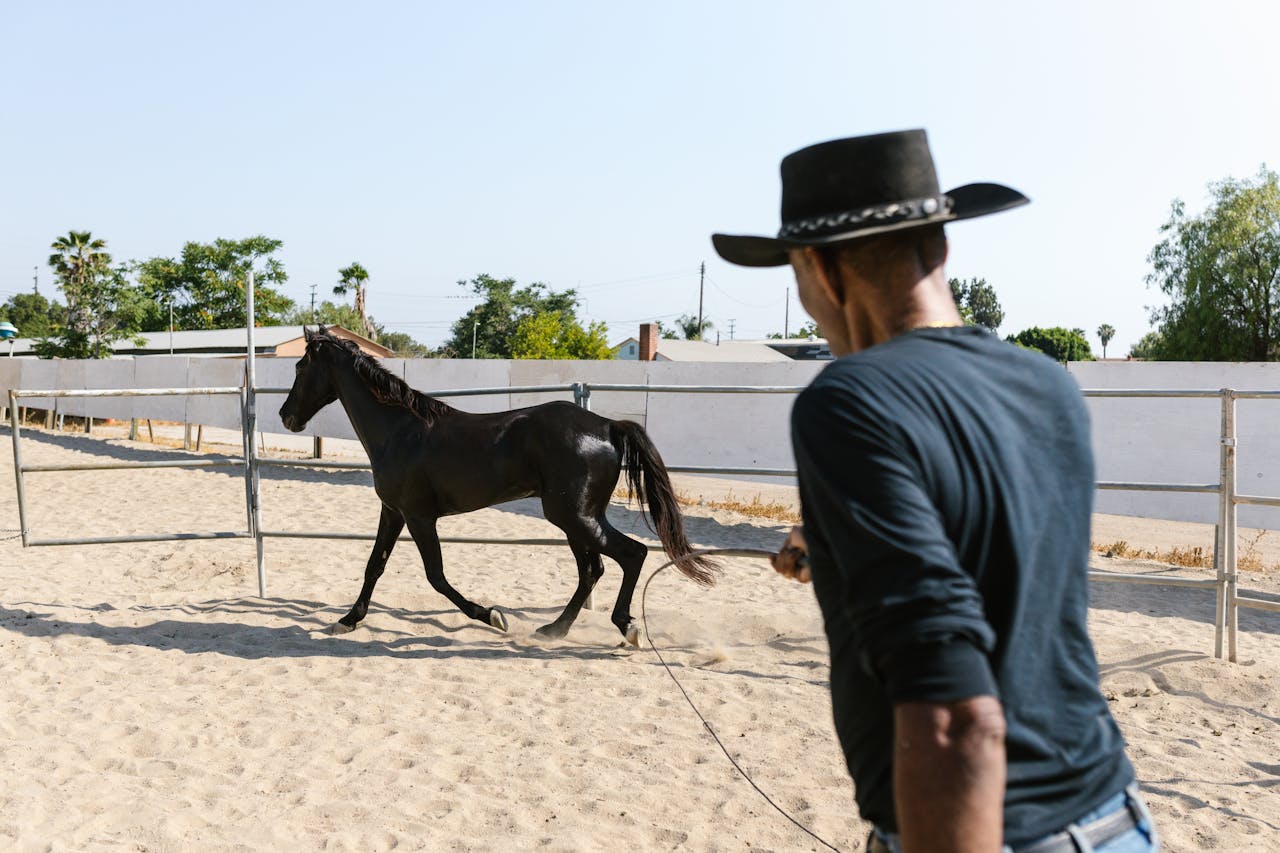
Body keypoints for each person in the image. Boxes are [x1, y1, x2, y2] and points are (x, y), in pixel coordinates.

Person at [711, 130, 1158, 853]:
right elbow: (992, 559)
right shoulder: (1045, 383)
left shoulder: (848, 400)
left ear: (820, 269)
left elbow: (953, 717)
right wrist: (834, 545)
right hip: (1114, 815)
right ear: (941, 246)